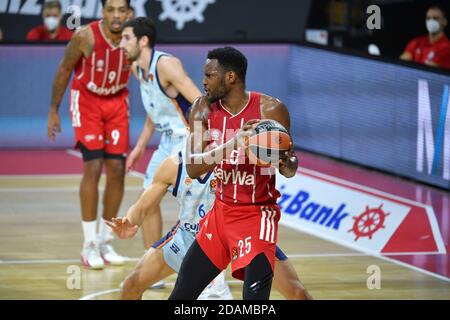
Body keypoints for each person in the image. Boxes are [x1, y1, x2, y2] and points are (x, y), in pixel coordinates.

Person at [169, 47, 299, 300]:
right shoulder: (201, 109)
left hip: (256, 216)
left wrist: (283, 162)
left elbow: (291, 165)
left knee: (254, 302)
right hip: (220, 215)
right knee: (181, 295)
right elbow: (194, 168)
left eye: (210, 75)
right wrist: (235, 143)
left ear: (230, 77)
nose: (203, 81)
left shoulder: (271, 110)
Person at [107, 147, 311, 300]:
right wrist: (130, 220)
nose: (201, 134)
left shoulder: (241, 158)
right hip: (189, 237)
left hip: (240, 234)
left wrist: (284, 159)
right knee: (130, 285)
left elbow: (283, 166)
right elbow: (142, 206)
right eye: (195, 128)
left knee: (297, 292)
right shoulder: (175, 165)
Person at [47, 0, 132, 269]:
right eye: (111, 9)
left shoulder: (135, 37)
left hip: (117, 102)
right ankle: (89, 244)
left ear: (129, 13)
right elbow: (63, 69)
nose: (116, 15)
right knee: (93, 167)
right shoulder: (84, 35)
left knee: (117, 169)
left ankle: (106, 241)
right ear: (103, 12)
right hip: (87, 102)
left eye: (122, 10)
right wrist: (53, 109)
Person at [119, 17, 201, 254]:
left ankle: (208, 273)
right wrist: (139, 147)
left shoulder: (166, 65)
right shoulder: (138, 69)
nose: (121, 44)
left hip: (188, 141)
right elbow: (154, 111)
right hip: (166, 143)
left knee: (193, 208)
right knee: (148, 199)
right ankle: (151, 259)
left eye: (126, 39)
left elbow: (201, 104)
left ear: (143, 41)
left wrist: (204, 143)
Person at [400, 5, 450, 69]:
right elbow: (401, 64)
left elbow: (431, 71)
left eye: (435, 18)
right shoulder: (416, 42)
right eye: (428, 18)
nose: (431, 21)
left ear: (444, 22)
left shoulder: (447, 47)